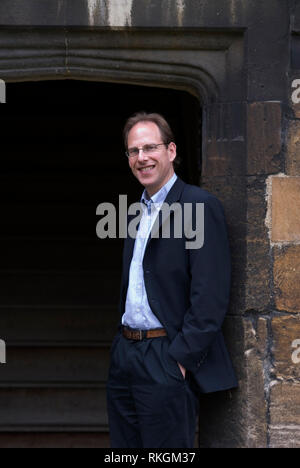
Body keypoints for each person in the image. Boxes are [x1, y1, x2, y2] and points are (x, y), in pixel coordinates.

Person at [106, 111, 237, 448]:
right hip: (126, 354)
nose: (142, 158)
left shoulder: (199, 205)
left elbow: (210, 295)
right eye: (133, 151)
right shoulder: (135, 210)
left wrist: (178, 359)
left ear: (172, 151)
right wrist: (120, 347)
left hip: (165, 356)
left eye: (150, 147)